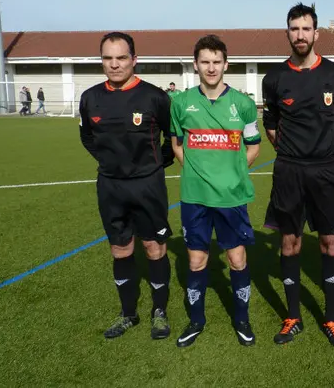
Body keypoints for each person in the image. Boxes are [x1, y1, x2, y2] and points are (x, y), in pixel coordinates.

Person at [261, 2, 334, 347]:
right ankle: (293, 317)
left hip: (326, 172)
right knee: (290, 241)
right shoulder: (274, 79)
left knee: (330, 241)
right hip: (289, 172)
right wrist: (291, 153)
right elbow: (271, 126)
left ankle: (331, 319)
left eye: (305, 29)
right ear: (287, 33)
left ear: (316, 33)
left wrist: (332, 154)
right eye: (294, 28)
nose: (300, 35)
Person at [79, 32, 175, 340]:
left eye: (121, 58)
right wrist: (110, 162)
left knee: (154, 247)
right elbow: (87, 137)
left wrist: (154, 164)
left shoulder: (155, 97)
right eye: (108, 58)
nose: (114, 64)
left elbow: (172, 138)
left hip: (148, 185)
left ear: (134, 59)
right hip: (111, 187)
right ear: (101, 61)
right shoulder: (90, 98)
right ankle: (128, 314)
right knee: (120, 249)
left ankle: (159, 312)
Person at [170, 35, 261, 348]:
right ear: (195, 65)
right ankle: (196, 321)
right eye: (205, 62)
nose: (211, 68)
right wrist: (199, 173)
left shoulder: (243, 105)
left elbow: (254, 146)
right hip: (194, 196)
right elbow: (177, 145)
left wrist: (231, 174)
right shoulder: (180, 103)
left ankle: (242, 319)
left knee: (236, 258)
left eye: (216, 62)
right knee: (196, 261)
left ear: (226, 64)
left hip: (231, 197)